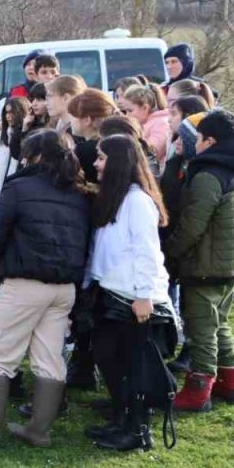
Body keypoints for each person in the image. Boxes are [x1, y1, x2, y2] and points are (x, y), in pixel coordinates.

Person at [0, 130, 90, 447]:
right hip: (64, 287)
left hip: (24, 283)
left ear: (36, 157)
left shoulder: (18, 188)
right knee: (50, 358)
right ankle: (38, 431)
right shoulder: (79, 193)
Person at [86, 135, 176, 452]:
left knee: (133, 366)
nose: (95, 163)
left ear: (119, 162)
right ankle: (123, 419)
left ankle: (138, 431)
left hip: (135, 299)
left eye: (101, 157)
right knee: (109, 357)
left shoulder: (137, 202)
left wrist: (143, 295)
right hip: (112, 292)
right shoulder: (116, 197)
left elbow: (146, 251)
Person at [162, 110, 234, 411]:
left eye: (198, 139)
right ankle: (231, 382)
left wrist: (170, 253)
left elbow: (192, 225)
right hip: (229, 264)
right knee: (220, 324)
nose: (195, 145)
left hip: (206, 266)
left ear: (210, 141)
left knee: (201, 328)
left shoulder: (206, 175)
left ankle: (198, 390)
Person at [65, 88, 116, 186]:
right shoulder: (115, 143)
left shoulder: (84, 150)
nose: (70, 121)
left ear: (87, 120)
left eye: (73, 116)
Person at [118, 84, 171, 173]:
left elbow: (152, 152)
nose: (127, 115)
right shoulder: (144, 123)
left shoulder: (161, 123)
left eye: (130, 111)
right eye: (125, 111)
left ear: (145, 107)